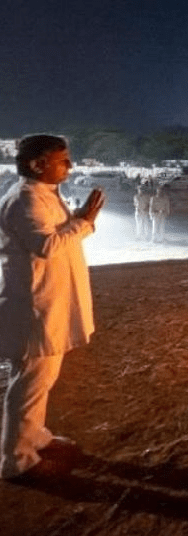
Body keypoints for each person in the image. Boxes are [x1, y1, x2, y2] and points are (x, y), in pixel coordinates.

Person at [0, 134, 106, 480]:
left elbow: (58, 236)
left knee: (42, 378)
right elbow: (46, 245)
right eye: (63, 159)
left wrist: (77, 220)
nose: (70, 165)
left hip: (49, 302)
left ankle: (35, 437)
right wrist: (83, 221)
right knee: (30, 379)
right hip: (34, 306)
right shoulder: (24, 200)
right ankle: (17, 460)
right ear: (37, 164)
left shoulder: (42, 196)